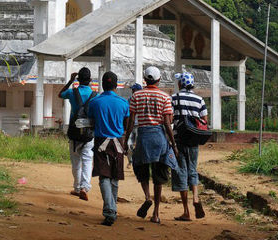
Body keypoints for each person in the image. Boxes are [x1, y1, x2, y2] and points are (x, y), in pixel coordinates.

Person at [124, 65, 178, 225]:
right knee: (159, 174)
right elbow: (168, 124)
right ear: (159, 79)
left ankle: (147, 197)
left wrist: (126, 139)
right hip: (160, 136)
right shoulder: (165, 97)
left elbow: (131, 120)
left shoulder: (136, 96)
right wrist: (173, 143)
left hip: (143, 136)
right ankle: (155, 213)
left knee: (141, 168)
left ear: (145, 79)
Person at [87, 71, 131, 226]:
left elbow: (91, 121)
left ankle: (110, 210)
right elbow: (126, 125)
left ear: (103, 85)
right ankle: (113, 209)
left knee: (104, 177)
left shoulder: (95, 102)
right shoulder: (124, 103)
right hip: (118, 142)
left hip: (101, 142)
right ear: (116, 85)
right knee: (114, 177)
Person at [171, 72, 207, 221]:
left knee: (181, 172)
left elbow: (169, 118)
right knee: (193, 169)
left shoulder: (173, 98)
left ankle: (186, 211)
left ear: (180, 84)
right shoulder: (200, 100)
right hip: (194, 140)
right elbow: (205, 121)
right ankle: (196, 198)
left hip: (179, 139)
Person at [59, 67, 95, 201]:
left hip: (74, 131)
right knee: (87, 160)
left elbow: (60, 94)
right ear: (90, 80)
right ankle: (85, 187)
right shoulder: (95, 95)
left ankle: (77, 188)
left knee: (76, 162)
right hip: (89, 133)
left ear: (78, 79)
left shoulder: (72, 92)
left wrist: (70, 81)